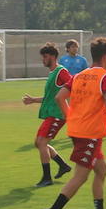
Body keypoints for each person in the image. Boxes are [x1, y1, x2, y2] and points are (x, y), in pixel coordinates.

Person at [40, 37, 106, 209]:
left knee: (102, 170)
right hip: (89, 133)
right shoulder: (105, 76)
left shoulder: (80, 75)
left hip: (80, 130)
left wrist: (71, 117)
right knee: (81, 176)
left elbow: (59, 97)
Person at [21, 43, 75, 187]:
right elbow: (50, 97)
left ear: (52, 56)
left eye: (45, 57)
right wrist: (33, 100)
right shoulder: (52, 74)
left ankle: (47, 178)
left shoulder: (60, 71)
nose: (42, 60)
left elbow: (73, 86)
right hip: (51, 114)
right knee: (38, 143)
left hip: (58, 115)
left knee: (42, 143)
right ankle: (63, 165)